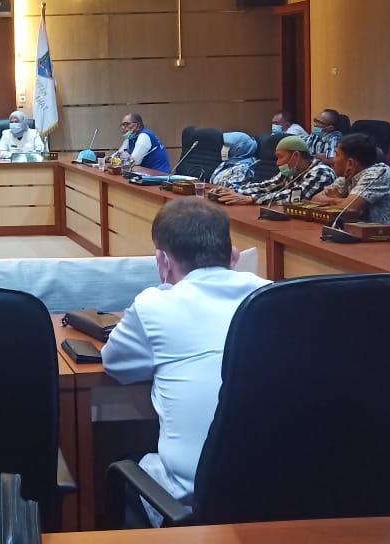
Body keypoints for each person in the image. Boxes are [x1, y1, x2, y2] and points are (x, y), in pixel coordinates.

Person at [102, 199, 270, 526]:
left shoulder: (154, 305)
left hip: (194, 500)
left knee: (126, 464)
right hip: (279, 492)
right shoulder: (273, 298)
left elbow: (115, 365)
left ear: (162, 260)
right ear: (233, 256)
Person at [312, 133, 390, 234]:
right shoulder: (346, 176)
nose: (333, 160)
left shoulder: (377, 174)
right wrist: (336, 200)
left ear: (350, 163)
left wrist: (336, 200)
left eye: (336, 154)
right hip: (373, 236)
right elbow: (315, 200)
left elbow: (348, 209)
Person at [212, 135, 336, 205]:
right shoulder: (293, 170)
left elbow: (293, 197)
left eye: (280, 157)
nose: (277, 163)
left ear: (296, 156)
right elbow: (267, 186)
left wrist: (251, 199)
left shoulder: (321, 172)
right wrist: (233, 191)